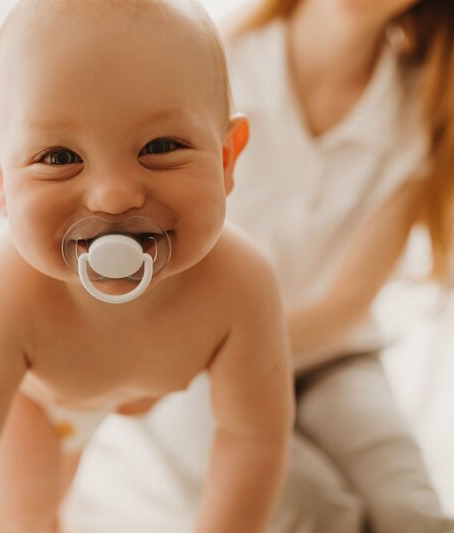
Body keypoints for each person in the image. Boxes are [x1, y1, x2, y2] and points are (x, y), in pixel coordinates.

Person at [0, 0, 294, 532]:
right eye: (58, 157)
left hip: (134, 394)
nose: (114, 196)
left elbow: (254, 438)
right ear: (1, 181)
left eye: (161, 146)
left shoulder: (241, 286)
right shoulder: (3, 297)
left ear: (228, 158)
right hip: (32, 402)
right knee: (30, 509)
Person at [141, 0, 454, 531]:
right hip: (197, 366)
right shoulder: (207, 61)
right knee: (320, 512)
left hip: (333, 359)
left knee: (412, 513)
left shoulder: (419, 107)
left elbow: (346, 303)